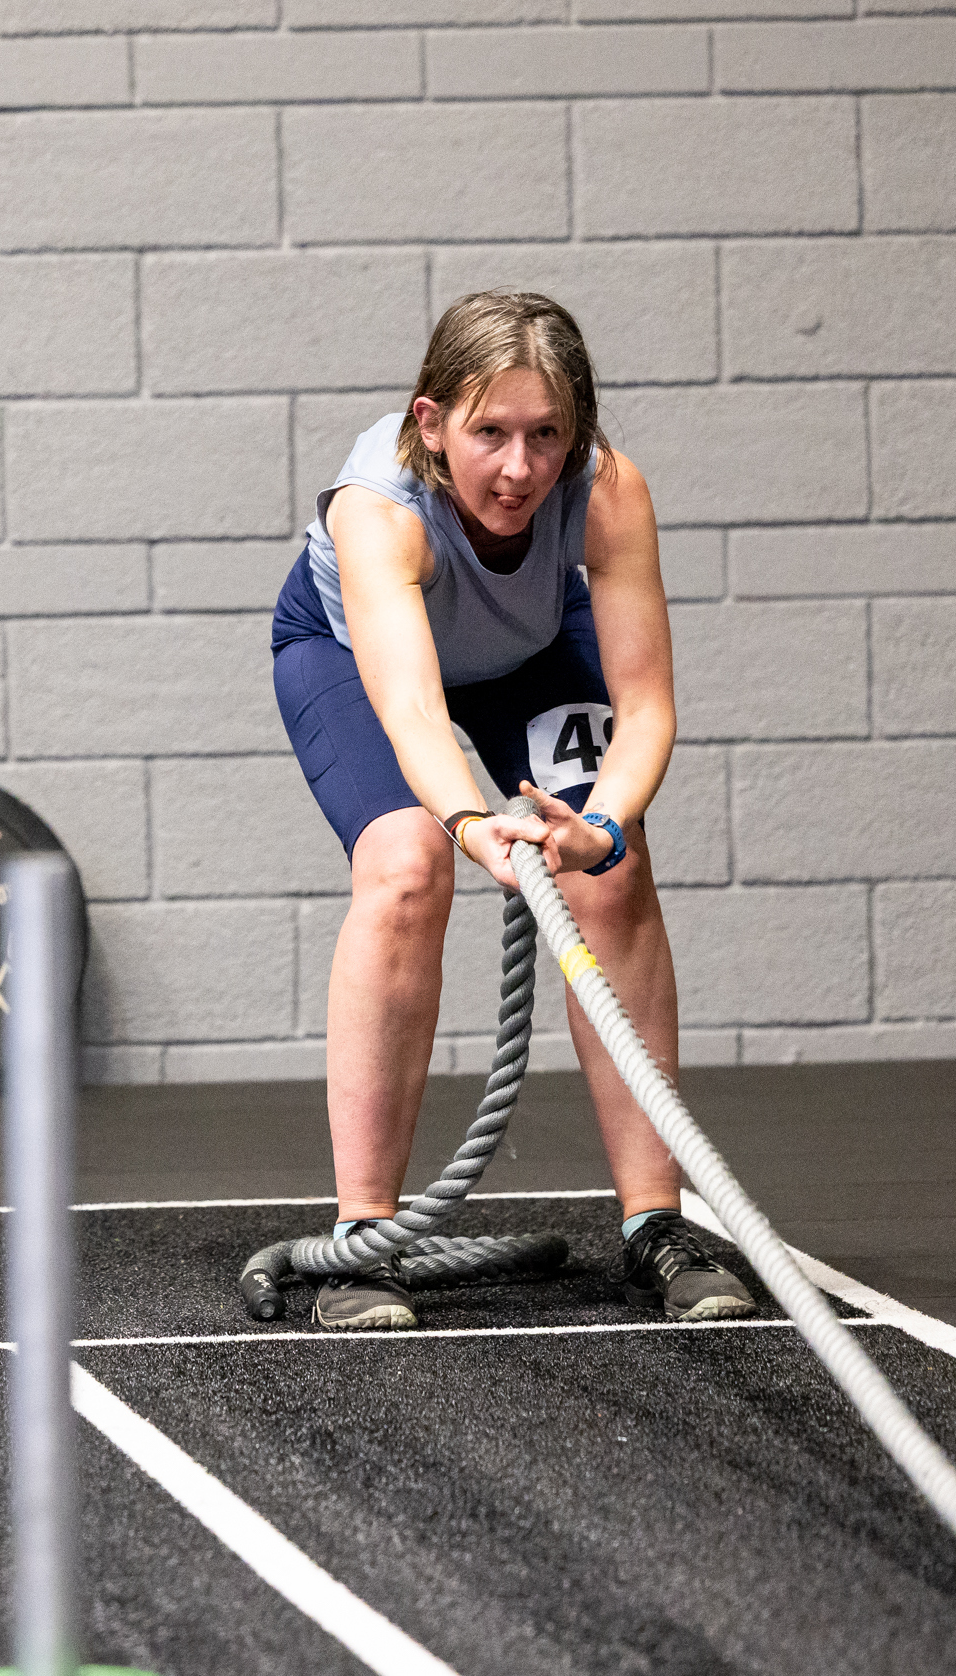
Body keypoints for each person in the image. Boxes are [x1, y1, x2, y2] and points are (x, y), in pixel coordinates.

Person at [273, 289, 756, 1332]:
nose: (517, 468)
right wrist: (464, 818)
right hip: (354, 656)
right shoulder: (380, 506)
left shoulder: (607, 489)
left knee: (611, 872)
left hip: (527, 647)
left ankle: (653, 1225)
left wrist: (604, 824)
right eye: (488, 432)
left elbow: (647, 705)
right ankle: (366, 1233)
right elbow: (407, 703)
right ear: (429, 420)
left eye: (546, 436)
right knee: (405, 865)